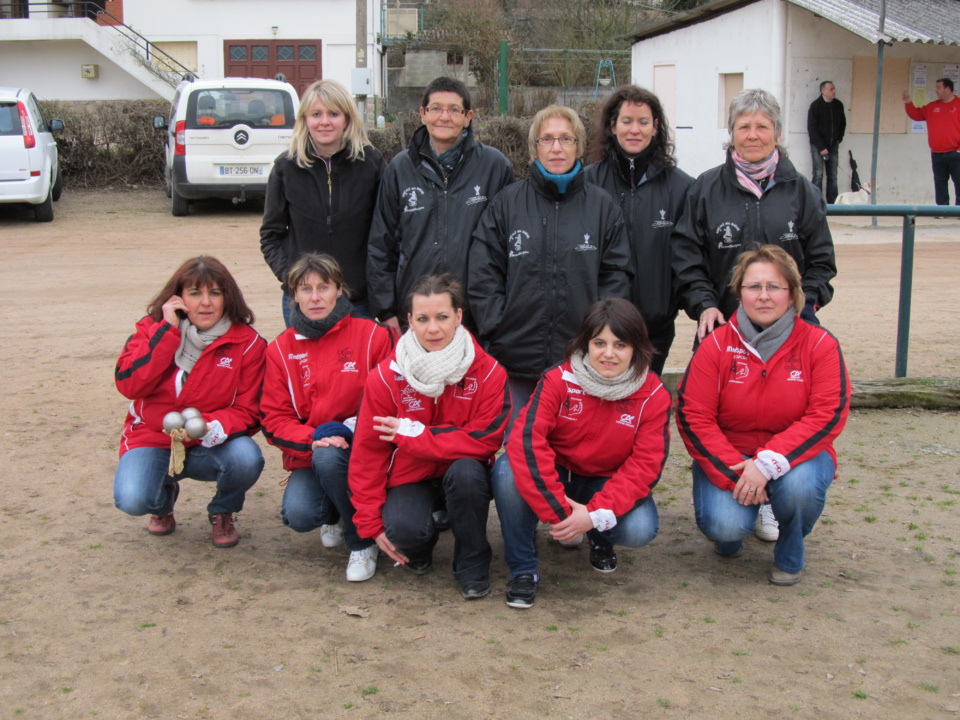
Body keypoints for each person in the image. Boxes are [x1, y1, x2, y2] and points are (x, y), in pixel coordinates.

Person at [671, 88, 837, 543]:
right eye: (744, 126)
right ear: (731, 133)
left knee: (786, 412)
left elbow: (822, 261)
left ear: (778, 134)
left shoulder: (801, 190)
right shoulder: (705, 188)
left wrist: (808, 304)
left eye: (762, 126)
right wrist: (704, 303)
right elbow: (686, 257)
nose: (753, 135)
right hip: (726, 331)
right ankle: (726, 486)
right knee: (722, 415)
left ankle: (774, 498)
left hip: (790, 331)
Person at [676, 246, 849, 586]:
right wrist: (737, 473)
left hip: (794, 457)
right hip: (733, 458)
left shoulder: (820, 344)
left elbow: (827, 414)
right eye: (754, 286)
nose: (764, 296)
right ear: (739, 292)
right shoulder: (715, 345)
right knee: (723, 524)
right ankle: (732, 532)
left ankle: (790, 546)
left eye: (775, 286)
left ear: (792, 293)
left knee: (799, 488)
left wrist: (767, 464)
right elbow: (693, 417)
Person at [492, 299, 670, 609]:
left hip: (605, 480)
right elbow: (526, 441)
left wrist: (592, 516)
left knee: (641, 529)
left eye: (620, 344)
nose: (609, 353)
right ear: (585, 343)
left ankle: (599, 538)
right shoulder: (558, 379)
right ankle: (523, 568)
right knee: (507, 471)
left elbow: (645, 466)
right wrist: (559, 512)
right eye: (599, 342)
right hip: (558, 474)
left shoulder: (653, 393)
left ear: (636, 348)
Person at [348, 275, 510, 597]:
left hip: (462, 473)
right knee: (404, 531)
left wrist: (413, 434)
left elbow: (485, 440)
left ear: (459, 316)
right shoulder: (385, 376)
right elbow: (368, 453)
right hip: (410, 474)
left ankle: (472, 567)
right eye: (422, 319)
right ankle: (418, 552)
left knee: (466, 471)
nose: (433, 329)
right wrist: (370, 524)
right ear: (409, 321)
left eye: (442, 317)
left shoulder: (490, 372)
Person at [469, 104, 631, 422]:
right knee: (519, 457)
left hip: (581, 362)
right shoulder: (507, 204)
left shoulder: (602, 207)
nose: (556, 148)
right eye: (547, 139)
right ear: (535, 148)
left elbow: (617, 275)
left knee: (573, 454)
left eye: (566, 139)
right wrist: (498, 326)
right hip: (517, 359)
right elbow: (483, 271)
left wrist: (600, 336)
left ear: (578, 146)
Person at [113, 256, 266, 547]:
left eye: (215, 293)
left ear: (228, 297)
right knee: (132, 499)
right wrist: (167, 333)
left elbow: (250, 410)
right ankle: (162, 503)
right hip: (153, 437)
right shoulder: (151, 328)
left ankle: (223, 510)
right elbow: (128, 383)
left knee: (247, 458)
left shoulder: (248, 344)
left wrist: (209, 426)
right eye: (195, 293)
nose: (205, 303)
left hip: (210, 439)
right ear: (178, 298)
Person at [260, 254, 394, 582]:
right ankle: (333, 509)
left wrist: (348, 431)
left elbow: (392, 399)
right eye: (306, 289)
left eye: (324, 287)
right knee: (299, 515)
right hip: (313, 452)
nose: (315, 297)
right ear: (293, 296)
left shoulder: (373, 336)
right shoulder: (279, 349)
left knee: (332, 453)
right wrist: (313, 438)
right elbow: (273, 418)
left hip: (366, 447)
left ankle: (362, 542)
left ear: (339, 290)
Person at [367, 77, 515, 333]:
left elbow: (509, 243)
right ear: (423, 114)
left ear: (468, 116)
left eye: (454, 109)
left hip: (477, 316)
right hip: (417, 314)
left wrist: (499, 312)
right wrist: (386, 311)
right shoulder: (400, 169)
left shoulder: (494, 167)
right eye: (436, 108)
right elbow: (382, 244)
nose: (444, 117)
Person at [585, 85, 694, 375]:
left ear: (656, 127)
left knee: (643, 403)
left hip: (655, 325)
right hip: (600, 326)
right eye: (627, 121)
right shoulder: (587, 184)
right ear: (612, 125)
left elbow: (688, 254)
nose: (635, 130)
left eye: (643, 122)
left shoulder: (682, 187)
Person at [260, 79, 386, 326]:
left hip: (358, 301)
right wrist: (292, 279)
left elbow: (388, 232)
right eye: (316, 114)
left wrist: (376, 282)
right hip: (305, 301)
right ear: (305, 120)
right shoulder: (285, 167)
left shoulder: (371, 163)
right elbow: (271, 236)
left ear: (347, 119)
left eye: (333, 114)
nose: (324, 121)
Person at [903, 78, 960, 207]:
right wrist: (908, 103)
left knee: (959, 182)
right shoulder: (932, 106)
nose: (936, 90)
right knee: (940, 182)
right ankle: (942, 210)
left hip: (955, 153)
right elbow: (917, 115)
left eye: (938, 87)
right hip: (937, 153)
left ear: (947, 89)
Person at [807, 80, 846, 204]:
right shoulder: (815, 106)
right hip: (818, 146)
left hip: (833, 145)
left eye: (834, 88)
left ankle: (832, 204)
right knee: (818, 175)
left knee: (833, 176)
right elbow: (812, 128)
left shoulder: (838, 105)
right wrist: (821, 147)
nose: (834, 91)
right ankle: (816, 203)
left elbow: (843, 123)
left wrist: (839, 138)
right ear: (823, 91)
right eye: (831, 89)